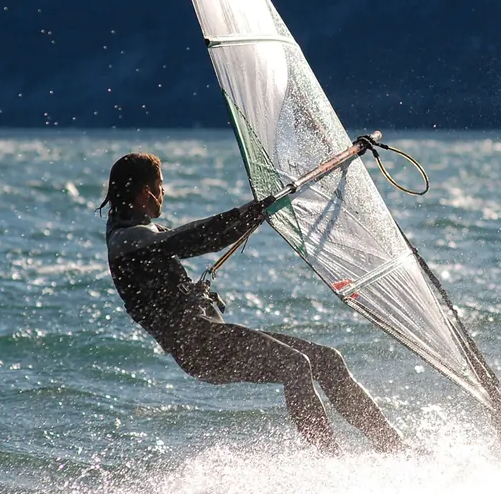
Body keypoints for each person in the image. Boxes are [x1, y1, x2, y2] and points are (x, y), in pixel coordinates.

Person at [98, 152, 406, 456]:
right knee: (296, 365)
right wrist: (247, 211)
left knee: (326, 359)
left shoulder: (141, 233)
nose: (164, 193)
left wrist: (255, 215)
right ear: (146, 191)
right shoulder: (126, 239)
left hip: (209, 339)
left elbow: (192, 240)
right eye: (161, 185)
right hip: (200, 346)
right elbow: (192, 239)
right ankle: (333, 462)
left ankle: (394, 447)